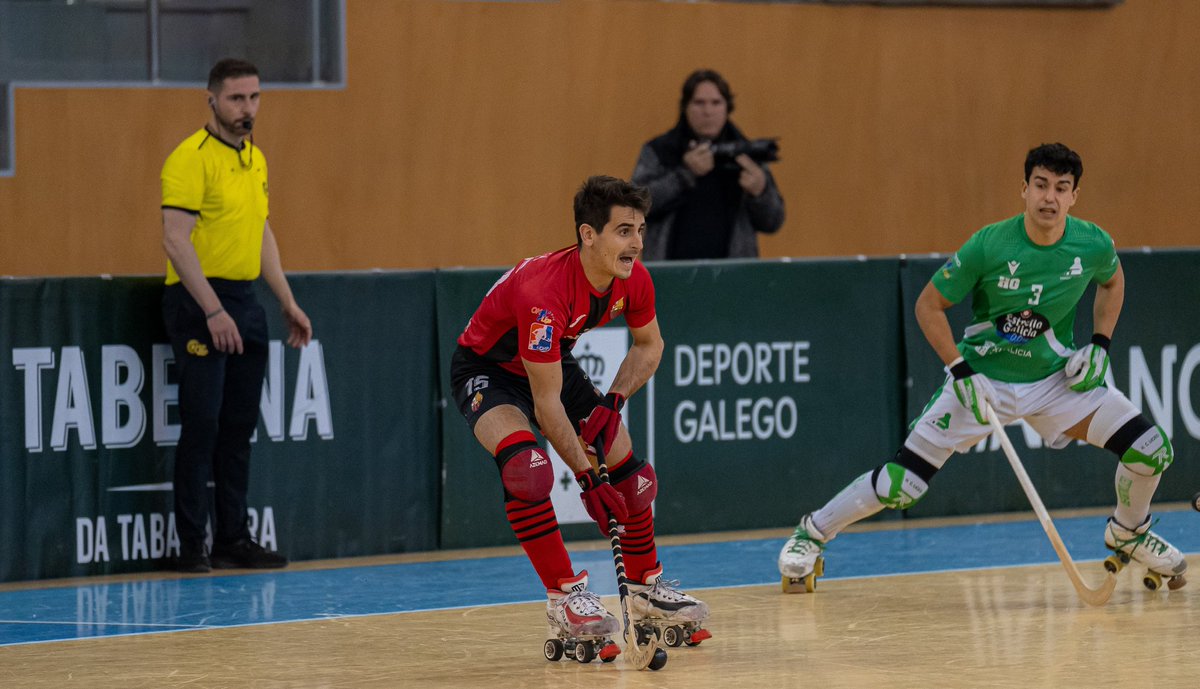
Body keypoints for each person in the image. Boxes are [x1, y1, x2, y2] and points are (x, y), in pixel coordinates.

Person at [778, 143, 1186, 592]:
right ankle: (812, 532)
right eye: (1041, 185)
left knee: (1151, 450)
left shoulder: (1092, 243)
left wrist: (1100, 344)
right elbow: (929, 305)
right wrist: (959, 368)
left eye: (1061, 188)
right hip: (981, 383)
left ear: (1074, 196)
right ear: (1024, 190)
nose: (1049, 198)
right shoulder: (989, 244)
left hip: (1055, 382)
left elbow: (1112, 280)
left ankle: (1129, 532)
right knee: (902, 485)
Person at [450, 176, 710, 657]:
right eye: (624, 231)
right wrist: (588, 478)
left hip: (553, 364)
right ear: (589, 235)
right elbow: (547, 408)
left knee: (634, 478)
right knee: (527, 471)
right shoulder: (543, 292)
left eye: (640, 229)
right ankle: (564, 597)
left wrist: (613, 402)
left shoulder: (632, 278)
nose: (636, 243)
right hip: (488, 371)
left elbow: (651, 346)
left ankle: (645, 588)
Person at [160, 58, 312, 573]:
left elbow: (261, 233)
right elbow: (175, 243)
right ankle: (190, 546)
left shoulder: (256, 159)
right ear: (212, 101)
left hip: (245, 301)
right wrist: (212, 310)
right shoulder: (189, 159)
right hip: (199, 300)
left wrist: (286, 300)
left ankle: (232, 538)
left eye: (254, 98)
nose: (247, 109)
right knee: (201, 425)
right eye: (236, 99)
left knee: (238, 427)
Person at [631, 69, 785, 261]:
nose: (708, 111)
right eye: (699, 103)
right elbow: (634, 206)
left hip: (732, 277)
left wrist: (760, 192)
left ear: (727, 108)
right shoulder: (661, 150)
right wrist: (684, 175)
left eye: (716, 103)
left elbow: (773, 222)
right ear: (685, 107)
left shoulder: (746, 154)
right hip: (670, 274)